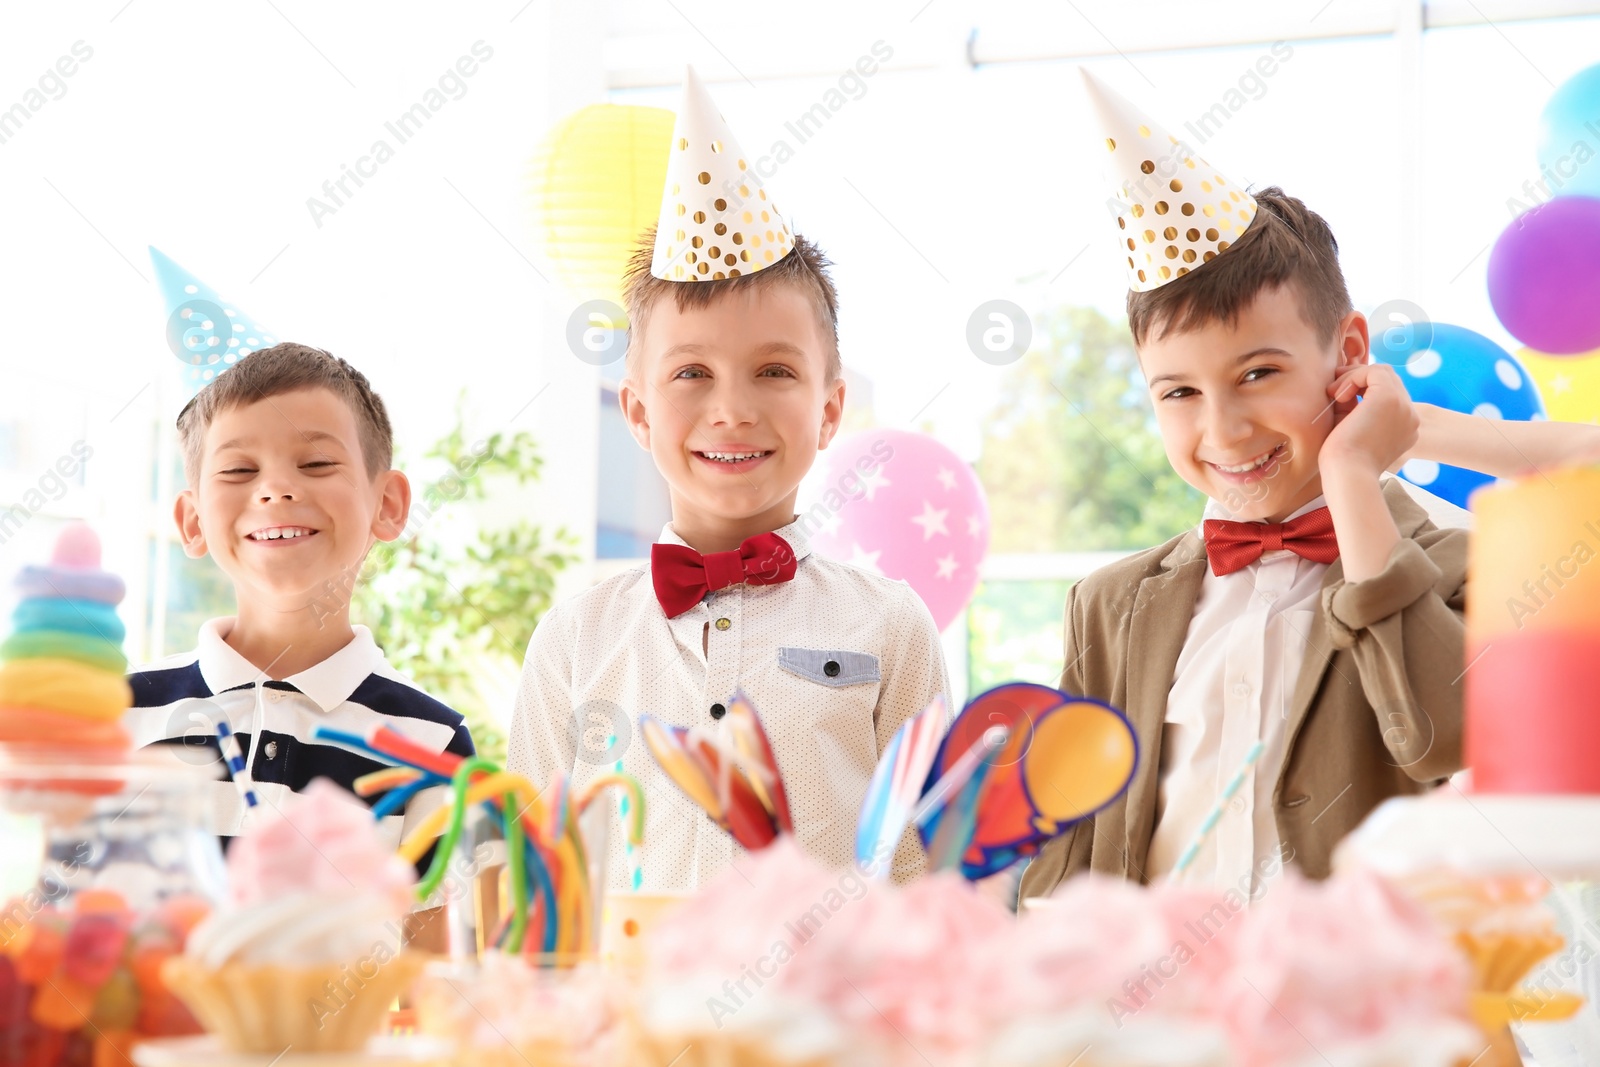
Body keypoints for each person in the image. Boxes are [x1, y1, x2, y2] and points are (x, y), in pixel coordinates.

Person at [1020, 73, 1465, 902]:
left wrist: (1350, 474)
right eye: (1179, 392)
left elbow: (1440, 737)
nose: (1222, 431)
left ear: (1350, 349)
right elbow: (1071, 845)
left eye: (1258, 373)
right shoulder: (1108, 606)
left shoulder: (1462, 563)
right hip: (1158, 1019)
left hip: (1364, 1021)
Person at [508, 68, 949, 890]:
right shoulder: (574, 640)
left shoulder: (890, 626)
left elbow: (928, 878)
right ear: (637, 411)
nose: (732, 410)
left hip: (826, 1016)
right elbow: (533, 878)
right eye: (692, 375)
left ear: (829, 408)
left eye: (775, 371)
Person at [127, 343, 474, 850]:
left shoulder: (433, 746)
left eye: (315, 462)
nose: (276, 489)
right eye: (239, 470)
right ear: (193, 520)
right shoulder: (119, 716)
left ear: (389, 504)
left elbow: (438, 931)